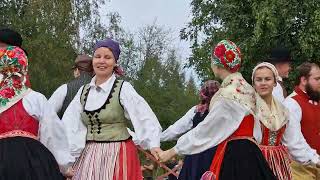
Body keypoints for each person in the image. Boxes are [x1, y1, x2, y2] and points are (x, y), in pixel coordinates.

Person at [158, 40, 276, 180]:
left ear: (218, 64)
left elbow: (207, 130)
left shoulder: (227, 95)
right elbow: (258, 131)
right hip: (253, 153)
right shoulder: (249, 90)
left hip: (234, 155)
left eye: (212, 60)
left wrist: (173, 151)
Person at [62, 38, 162, 179]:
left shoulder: (123, 88)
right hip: (89, 154)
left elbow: (143, 116)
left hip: (119, 154)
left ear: (115, 62)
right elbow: (70, 124)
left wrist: (153, 144)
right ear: (93, 61)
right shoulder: (83, 92)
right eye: (97, 56)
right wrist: (67, 159)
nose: (101, 61)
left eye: (107, 57)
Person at [0, 46, 73, 179]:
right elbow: (51, 132)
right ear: (23, 67)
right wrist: (64, 166)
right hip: (31, 162)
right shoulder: (35, 98)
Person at [252, 62, 292, 180]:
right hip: (255, 160)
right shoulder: (248, 109)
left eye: (268, 79)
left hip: (279, 162)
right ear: (253, 83)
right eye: (259, 79)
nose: (263, 83)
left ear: (275, 82)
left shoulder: (284, 111)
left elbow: (289, 139)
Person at [282, 62, 320, 179]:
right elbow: (293, 142)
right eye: (317, 79)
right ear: (304, 80)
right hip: (300, 170)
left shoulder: (316, 99)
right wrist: (316, 160)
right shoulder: (291, 104)